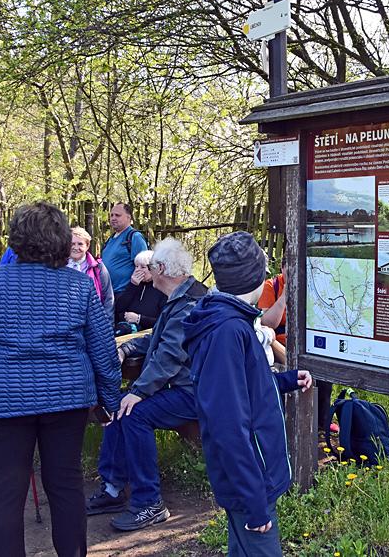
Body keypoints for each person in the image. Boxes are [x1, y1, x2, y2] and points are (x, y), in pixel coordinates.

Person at [0, 202, 120, 557]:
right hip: (68, 399)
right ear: (60, 240)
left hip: (5, 401)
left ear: (17, 240)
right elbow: (102, 348)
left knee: (5, 489)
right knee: (65, 483)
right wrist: (108, 401)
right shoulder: (79, 285)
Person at [182, 232, 313, 556]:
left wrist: (285, 381)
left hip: (251, 479)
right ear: (253, 278)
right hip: (250, 483)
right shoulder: (228, 332)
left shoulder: (234, 323)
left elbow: (244, 387)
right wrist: (254, 499)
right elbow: (228, 425)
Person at [86, 238, 207, 532]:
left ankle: (149, 502)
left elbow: (169, 356)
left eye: (151, 266)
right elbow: (158, 338)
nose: (147, 271)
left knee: (133, 411)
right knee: (121, 406)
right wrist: (127, 349)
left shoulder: (189, 303)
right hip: (183, 387)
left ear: (161, 268)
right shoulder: (180, 296)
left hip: (197, 392)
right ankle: (114, 489)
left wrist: (139, 392)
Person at [257, 257, 332, 430]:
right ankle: (293, 421)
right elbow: (267, 324)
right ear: (282, 268)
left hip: (305, 343)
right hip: (277, 343)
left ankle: (322, 421)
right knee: (296, 369)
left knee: (323, 374)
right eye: (288, 269)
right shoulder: (271, 286)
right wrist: (284, 296)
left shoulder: (312, 284)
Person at [69, 226, 114, 323]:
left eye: (80, 244)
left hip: (93, 321)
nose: (76, 247)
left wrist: (108, 324)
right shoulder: (59, 266)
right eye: (72, 244)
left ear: (87, 245)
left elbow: (108, 298)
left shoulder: (98, 267)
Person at [100, 202, 147, 294]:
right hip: (107, 293)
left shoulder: (134, 237)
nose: (113, 218)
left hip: (124, 293)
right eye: (111, 215)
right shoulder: (110, 239)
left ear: (128, 217)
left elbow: (144, 266)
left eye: (117, 215)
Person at [112, 250, 165, 330]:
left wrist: (139, 319)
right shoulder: (134, 286)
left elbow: (164, 322)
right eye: (136, 266)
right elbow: (119, 308)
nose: (137, 270)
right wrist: (132, 285)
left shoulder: (162, 289)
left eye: (143, 267)